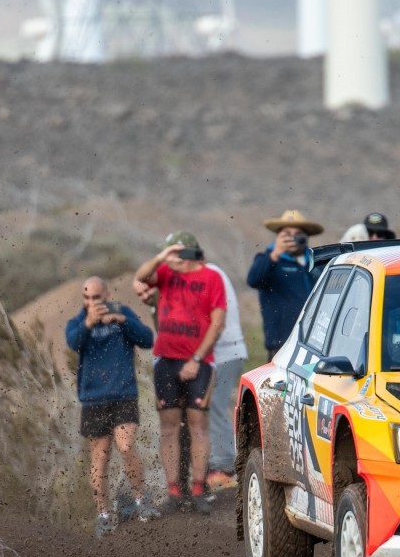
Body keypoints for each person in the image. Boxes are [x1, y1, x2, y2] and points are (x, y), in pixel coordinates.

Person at [135, 231, 227, 513]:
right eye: (167, 253)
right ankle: (174, 491)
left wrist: (196, 359)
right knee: (169, 425)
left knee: (198, 424)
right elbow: (141, 277)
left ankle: (198, 489)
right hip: (166, 358)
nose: (169, 258)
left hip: (199, 360)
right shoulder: (164, 272)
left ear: (189, 252)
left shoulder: (212, 278)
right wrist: (162, 257)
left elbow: (217, 322)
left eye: (175, 252)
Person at [65, 276, 160, 538]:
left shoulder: (122, 313)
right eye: (87, 298)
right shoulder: (77, 322)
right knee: (100, 458)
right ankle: (103, 515)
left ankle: (142, 500)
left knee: (126, 445)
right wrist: (89, 323)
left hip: (123, 393)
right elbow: (73, 342)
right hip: (94, 398)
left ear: (106, 296)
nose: (92, 302)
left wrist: (123, 321)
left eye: (96, 297)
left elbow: (148, 339)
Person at [247, 210, 323, 361]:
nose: (292, 238)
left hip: (316, 343)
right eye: (287, 234)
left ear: (306, 236)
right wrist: (275, 254)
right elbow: (253, 280)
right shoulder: (267, 261)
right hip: (282, 344)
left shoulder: (318, 263)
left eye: (298, 233)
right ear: (278, 237)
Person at [205, 260, 247, 492]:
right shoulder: (212, 271)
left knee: (215, 406)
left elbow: (214, 319)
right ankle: (219, 464)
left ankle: (225, 469)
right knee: (212, 406)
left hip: (225, 352)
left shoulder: (209, 275)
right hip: (224, 351)